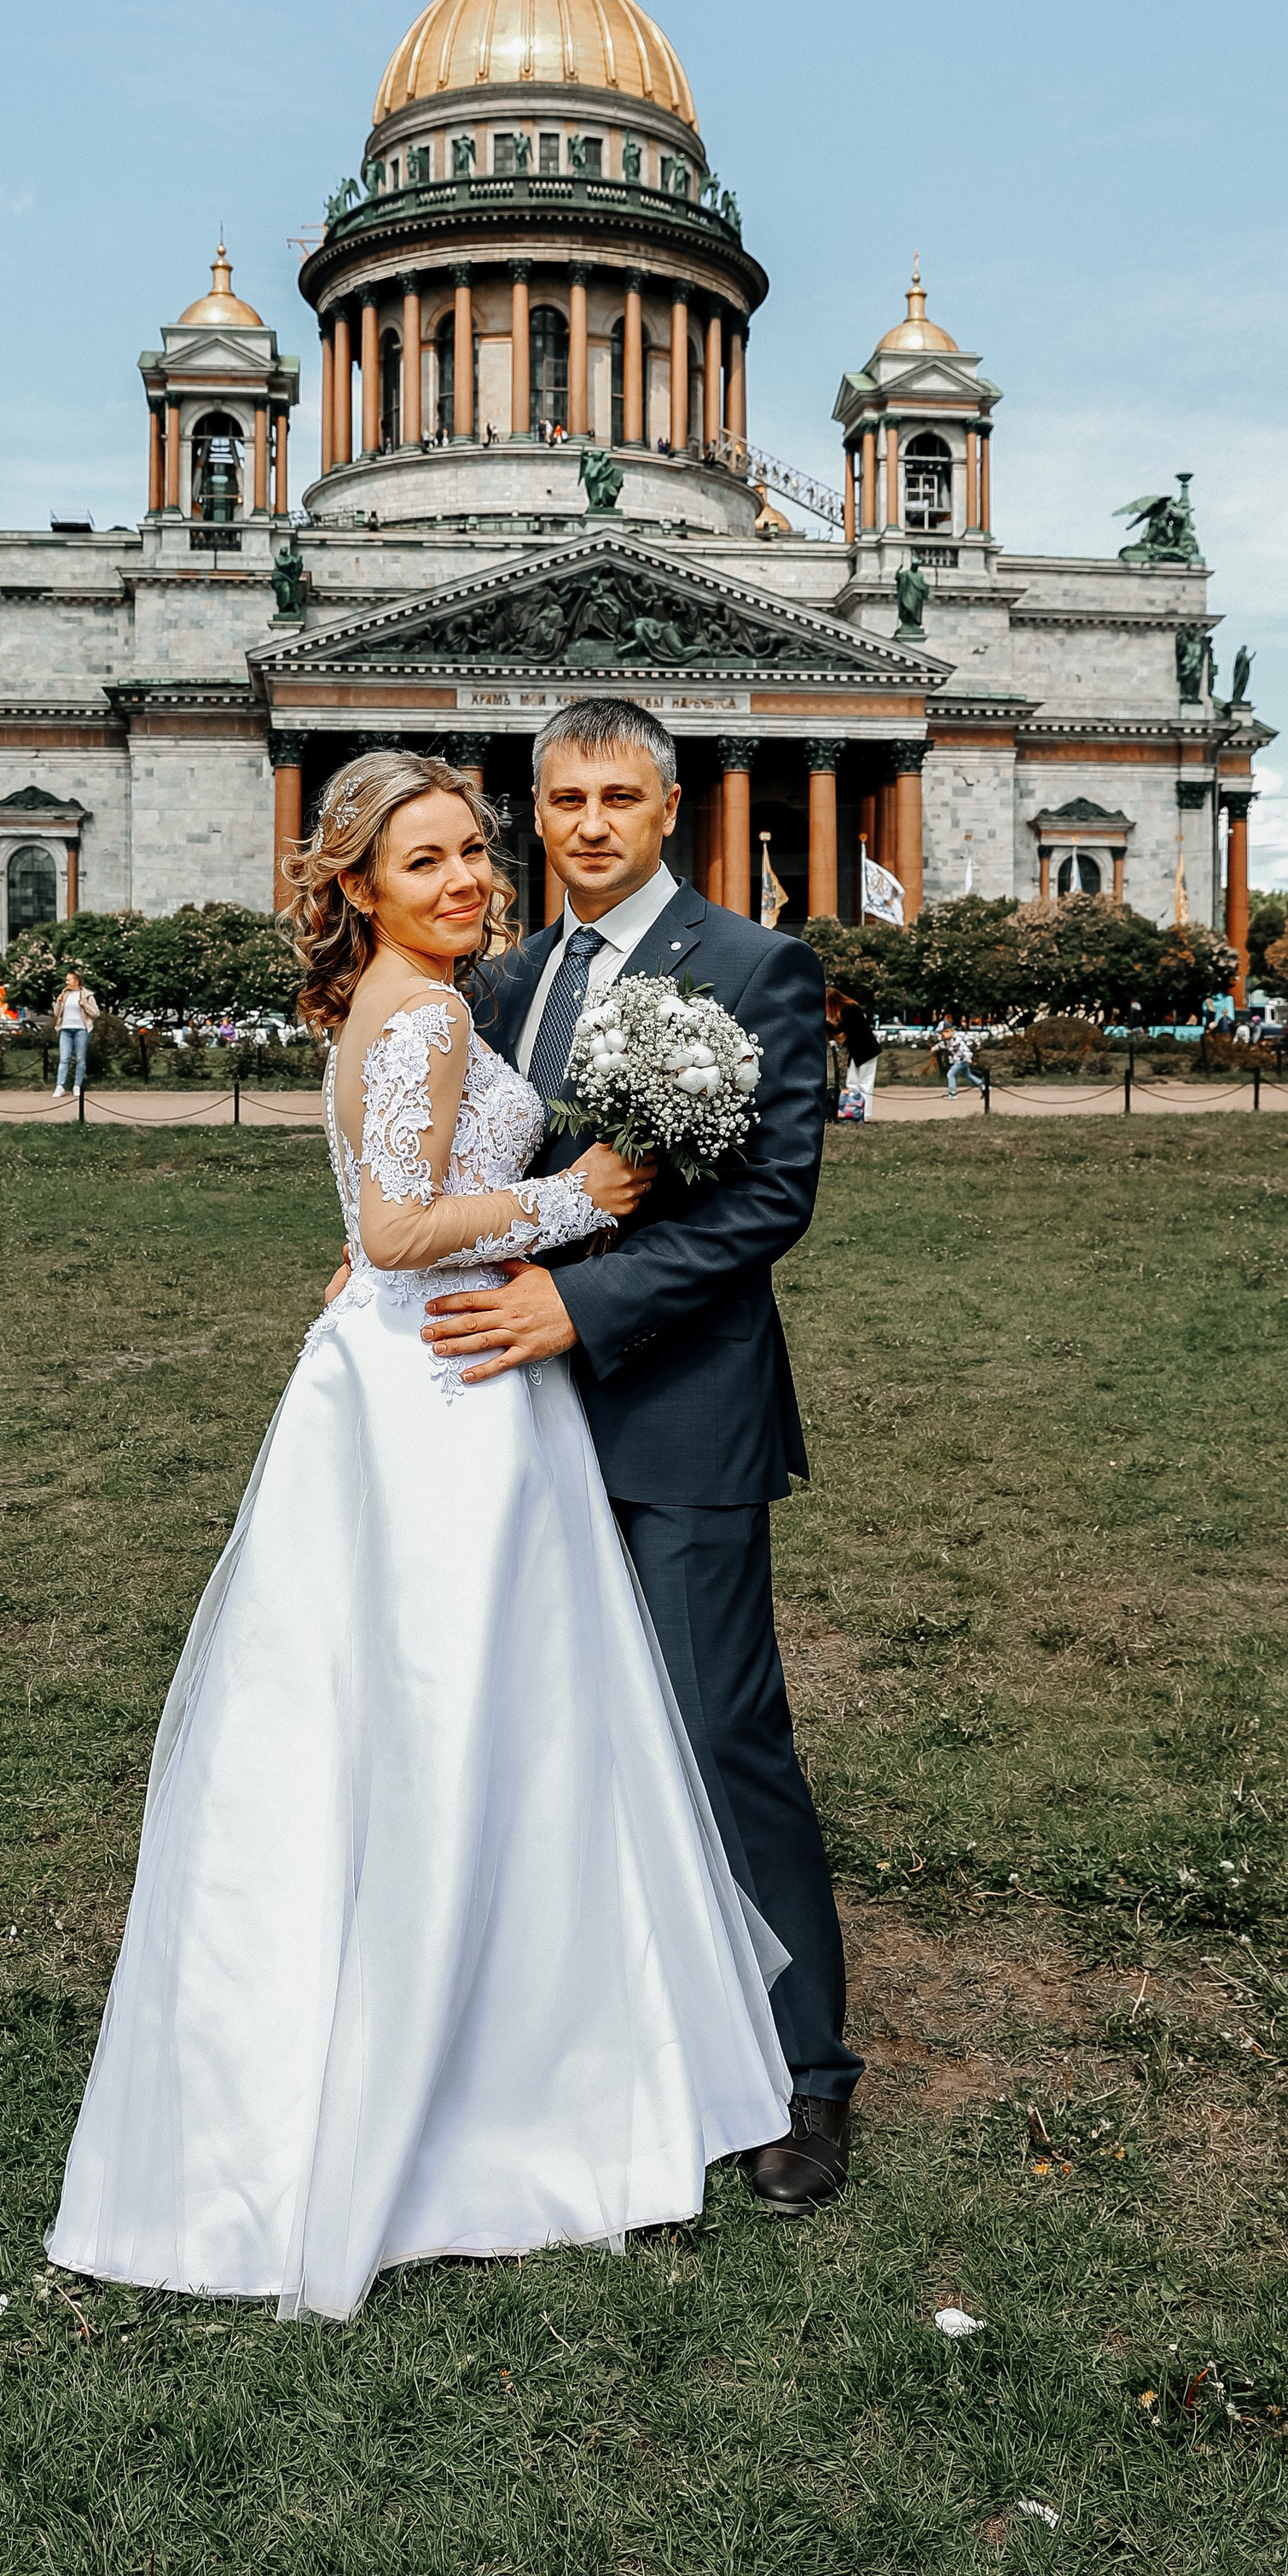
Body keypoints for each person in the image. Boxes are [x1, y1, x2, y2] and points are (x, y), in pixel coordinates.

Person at [49, 753, 788, 2319]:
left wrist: (416, 1242)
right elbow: (397, 1226)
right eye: (424, 859)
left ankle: (426, 2047)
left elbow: (388, 1214)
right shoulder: (436, 1006)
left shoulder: (425, 994)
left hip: (418, 1369)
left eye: (471, 851)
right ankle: (492, 2075)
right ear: (357, 886)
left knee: (400, 1716)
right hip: (446, 1381)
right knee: (469, 1715)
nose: (464, 878)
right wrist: (586, 1194)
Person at [438, 694, 860, 2219]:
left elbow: (768, 1207)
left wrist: (580, 1302)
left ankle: (807, 2077)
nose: (591, 823)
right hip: (511, 1419)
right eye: (564, 799)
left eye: (620, 795)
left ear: (669, 808)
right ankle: (600, 2028)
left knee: (720, 1734)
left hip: (681, 1413)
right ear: (535, 815)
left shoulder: (756, 968)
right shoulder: (509, 982)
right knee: (551, 1729)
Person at [828, 985, 880, 1122]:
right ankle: (853, 1110)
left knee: (865, 1082)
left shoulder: (849, 1009)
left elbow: (846, 1032)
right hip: (859, 1050)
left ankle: (864, 1113)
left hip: (866, 1049)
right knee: (853, 1082)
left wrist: (830, 1026)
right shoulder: (849, 1008)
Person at [51, 967, 96, 1100]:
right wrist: (58, 1002)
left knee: (80, 1059)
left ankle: (77, 1085)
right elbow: (57, 1014)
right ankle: (60, 1086)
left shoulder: (87, 994)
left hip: (81, 1029)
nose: (66, 982)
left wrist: (84, 1005)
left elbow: (95, 1013)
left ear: (76, 981)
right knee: (64, 1059)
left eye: (69, 979)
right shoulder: (65, 994)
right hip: (66, 1029)